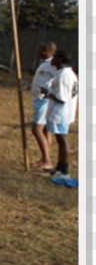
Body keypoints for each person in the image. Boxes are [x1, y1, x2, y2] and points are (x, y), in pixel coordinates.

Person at [42, 50, 77, 179]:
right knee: (60, 139)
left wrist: (47, 92)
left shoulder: (63, 76)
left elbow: (61, 98)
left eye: (55, 57)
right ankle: (59, 167)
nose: (52, 59)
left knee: (62, 140)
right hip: (65, 111)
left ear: (60, 60)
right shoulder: (67, 73)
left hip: (61, 112)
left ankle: (64, 171)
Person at [30, 42, 57, 170]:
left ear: (46, 51)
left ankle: (47, 160)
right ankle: (45, 159)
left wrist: (50, 91)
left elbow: (60, 78)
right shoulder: (44, 64)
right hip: (39, 99)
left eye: (40, 50)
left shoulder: (53, 64)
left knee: (37, 129)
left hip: (44, 100)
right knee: (45, 130)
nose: (37, 52)